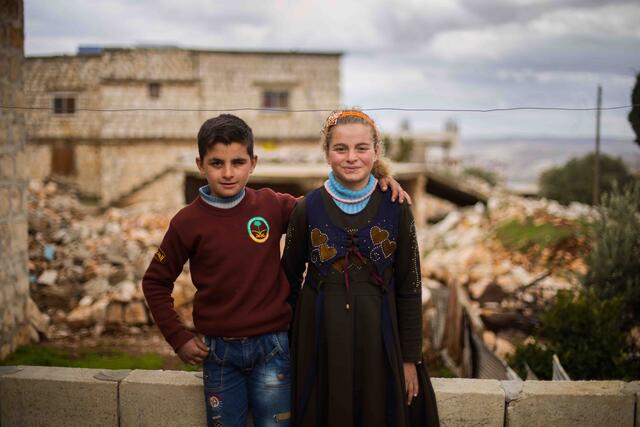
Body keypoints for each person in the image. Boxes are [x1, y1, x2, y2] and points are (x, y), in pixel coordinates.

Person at [142, 114, 409, 427]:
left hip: (274, 349)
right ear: (200, 164)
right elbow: (155, 282)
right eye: (217, 163)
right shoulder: (187, 222)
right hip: (219, 354)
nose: (228, 173)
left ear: (253, 162)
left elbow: (329, 204)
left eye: (238, 162)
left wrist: (379, 178)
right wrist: (178, 337)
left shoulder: (272, 205)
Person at [283, 109, 440, 426]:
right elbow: (288, 281)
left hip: (379, 337)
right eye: (340, 148)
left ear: (376, 152)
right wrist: (289, 348)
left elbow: (410, 285)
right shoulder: (307, 208)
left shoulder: (396, 207)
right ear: (327, 154)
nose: (351, 157)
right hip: (320, 339)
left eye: (361, 148)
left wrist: (410, 358)